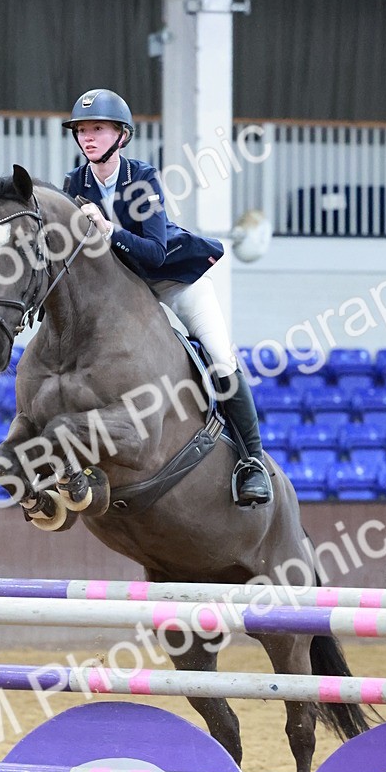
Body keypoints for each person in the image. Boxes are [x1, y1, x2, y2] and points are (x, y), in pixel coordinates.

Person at [62, 88, 272, 508]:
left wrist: (108, 229)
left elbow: (155, 252)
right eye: (82, 130)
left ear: (121, 135)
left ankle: (252, 461)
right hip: (125, 291)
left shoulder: (142, 178)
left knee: (220, 357)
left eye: (98, 129)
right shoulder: (75, 183)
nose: (88, 137)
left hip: (174, 281)